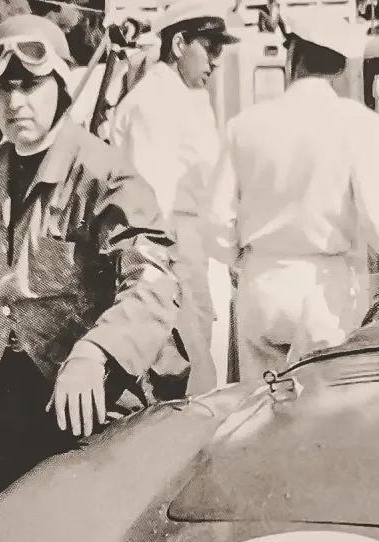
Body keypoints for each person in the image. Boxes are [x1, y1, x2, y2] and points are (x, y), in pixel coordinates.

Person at [0, 14, 188, 507]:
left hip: (99, 393)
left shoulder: (103, 174)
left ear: (62, 88)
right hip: (20, 381)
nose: (15, 101)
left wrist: (94, 352)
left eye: (30, 85)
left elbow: (153, 281)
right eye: (3, 88)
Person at [202, 14, 379, 380]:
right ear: (339, 66)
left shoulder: (244, 126)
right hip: (325, 290)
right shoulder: (359, 124)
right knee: (325, 401)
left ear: (292, 57)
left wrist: (243, 259)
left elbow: (216, 221)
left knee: (261, 403)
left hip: (261, 285)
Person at [109, 0, 238, 393]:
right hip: (172, 256)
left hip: (195, 250)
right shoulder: (153, 103)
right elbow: (153, 203)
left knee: (205, 372)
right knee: (187, 377)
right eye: (209, 48)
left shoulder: (185, 97)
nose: (215, 61)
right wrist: (168, 282)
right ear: (179, 44)